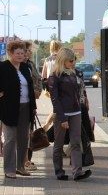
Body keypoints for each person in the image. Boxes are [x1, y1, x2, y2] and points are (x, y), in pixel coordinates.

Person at [47, 47, 91, 181]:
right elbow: (55, 99)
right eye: (70, 60)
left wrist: (83, 101)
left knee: (76, 142)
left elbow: (80, 91)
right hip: (62, 113)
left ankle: (77, 172)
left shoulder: (75, 73)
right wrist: (62, 117)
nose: (73, 63)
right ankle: (59, 172)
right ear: (62, 60)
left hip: (76, 111)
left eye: (74, 60)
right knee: (59, 144)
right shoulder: (55, 76)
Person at [0, 40, 38, 178]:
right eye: (17, 53)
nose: (21, 55)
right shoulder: (3, 67)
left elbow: (31, 89)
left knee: (23, 138)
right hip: (8, 108)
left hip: (26, 107)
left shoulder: (25, 68)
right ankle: (9, 169)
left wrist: (33, 107)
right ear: (10, 53)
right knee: (10, 138)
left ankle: (20, 167)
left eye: (23, 53)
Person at [24, 41, 43, 171]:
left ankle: (27, 160)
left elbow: (38, 79)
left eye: (30, 50)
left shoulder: (30, 64)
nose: (30, 53)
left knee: (29, 132)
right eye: (28, 50)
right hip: (20, 104)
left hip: (31, 102)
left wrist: (38, 91)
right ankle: (22, 161)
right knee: (22, 134)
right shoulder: (17, 66)